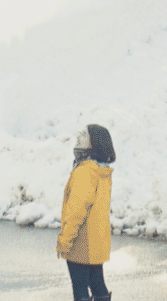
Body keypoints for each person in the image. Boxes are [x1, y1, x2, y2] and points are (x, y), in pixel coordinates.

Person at [56, 123, 115, 301]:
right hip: (96, 242)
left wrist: (65, 240)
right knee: (97, 284)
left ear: (93, 143)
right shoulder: (101, 170)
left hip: (81, 243)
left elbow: (76, 211)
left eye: (84, 135)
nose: (78, 136)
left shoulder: (85, 171)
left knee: (80, 290)